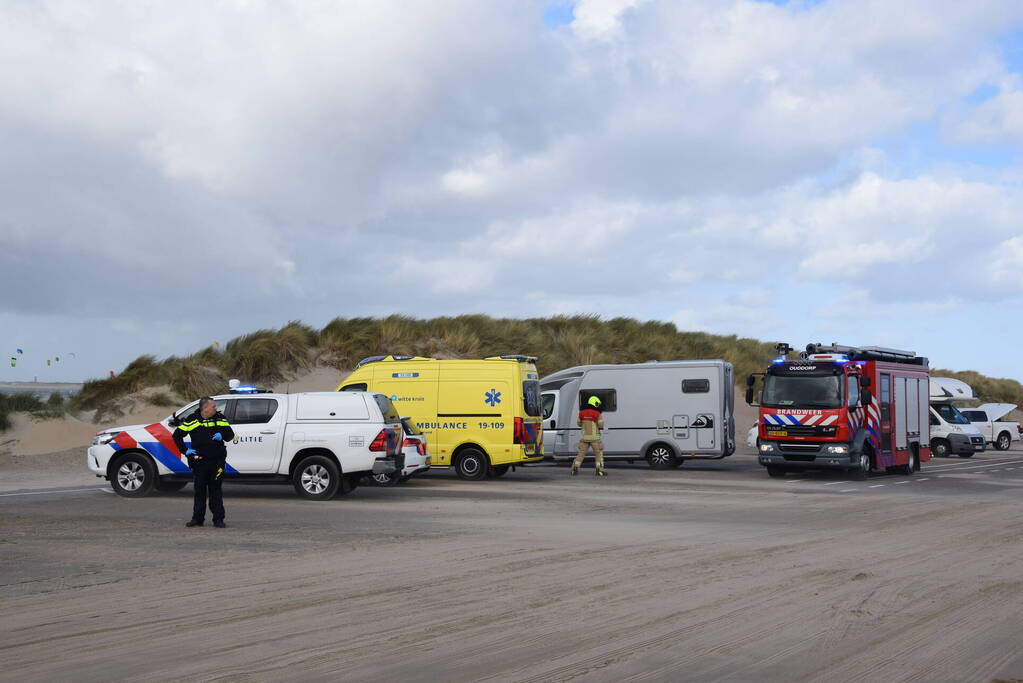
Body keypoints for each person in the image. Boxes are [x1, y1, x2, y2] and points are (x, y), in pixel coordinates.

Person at [172, 397, 234, 528]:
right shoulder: (192, 419)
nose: (216, 409)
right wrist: (185, 450)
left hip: (217, 462)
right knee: (199, 491)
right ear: (204, 408)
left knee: (215, 491)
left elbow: (230, 435)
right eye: (213, 407)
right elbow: (177, 435)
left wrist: (222, 435)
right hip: (200, 462)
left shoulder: (220, 418)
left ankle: (218, 519)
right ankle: (197, 519)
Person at [572, 395, 606, 477]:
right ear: (595, 403)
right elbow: (601, 425)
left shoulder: (582, 413)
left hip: (584, 438)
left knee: (581, 454)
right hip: (595, 438)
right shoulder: (597, 413)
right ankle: (599, 471)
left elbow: (578, 424)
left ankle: (575, 468)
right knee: (598, 454)